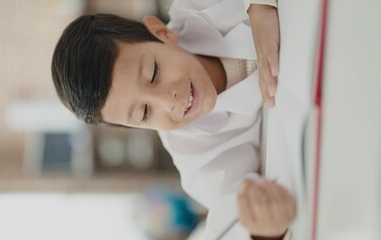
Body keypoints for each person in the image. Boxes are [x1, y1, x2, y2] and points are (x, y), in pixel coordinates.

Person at [51, 0, 295, 239]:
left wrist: (259, 6)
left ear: (161, 33)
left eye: (154, 73)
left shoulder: (199, 5)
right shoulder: (199, 164)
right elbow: (237, 222)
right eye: (145, 113)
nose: (168, 100)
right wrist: (265, 230)